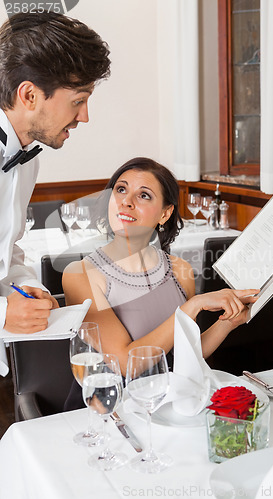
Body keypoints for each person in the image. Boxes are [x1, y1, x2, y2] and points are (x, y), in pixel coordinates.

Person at [63, 157, 258, 408]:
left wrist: (229, 323)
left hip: (166, 402)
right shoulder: (80, 274)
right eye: (121, 190)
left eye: (143, 195)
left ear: (165, 213)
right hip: (109, 409)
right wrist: (191, 307)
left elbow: (185, 354)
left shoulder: (179, 270)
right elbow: (123, 363)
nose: (126, 201)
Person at [0, 10, 110, 342]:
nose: (84, 117)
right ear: (29, 95)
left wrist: (29, 288)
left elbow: (8, 248)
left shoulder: (28, 160)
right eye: (78, 101)